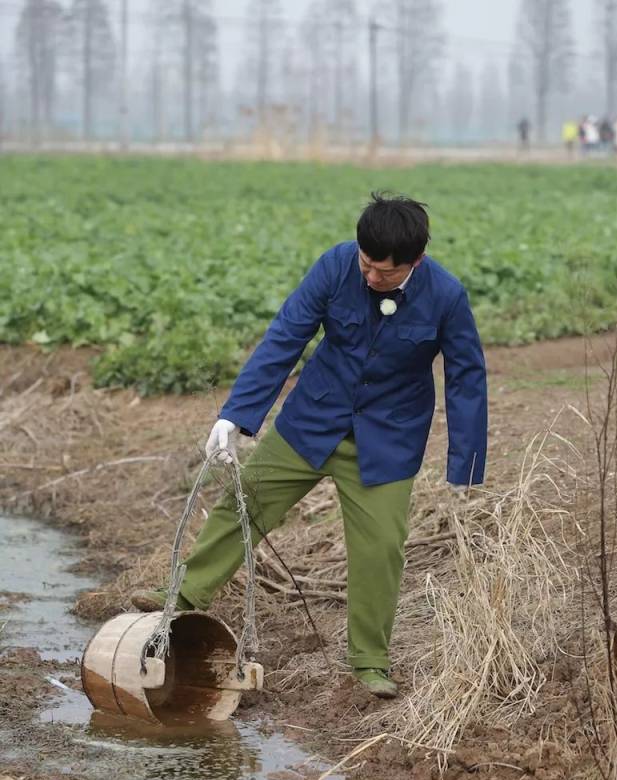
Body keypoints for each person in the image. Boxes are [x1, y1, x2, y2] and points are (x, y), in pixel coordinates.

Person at [132, 194, 488, 699]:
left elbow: (467, 377)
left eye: (383, 273)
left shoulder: (446, 297)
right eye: (365, 265)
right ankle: (184, 595)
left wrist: (465, 466)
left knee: (381, 549)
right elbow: (286, 335)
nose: (370, 278)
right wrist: (237, 415)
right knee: (245, 502)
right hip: (312, 421)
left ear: (415, 262)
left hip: (386, 440)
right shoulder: (336, 265)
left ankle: (368, 662)